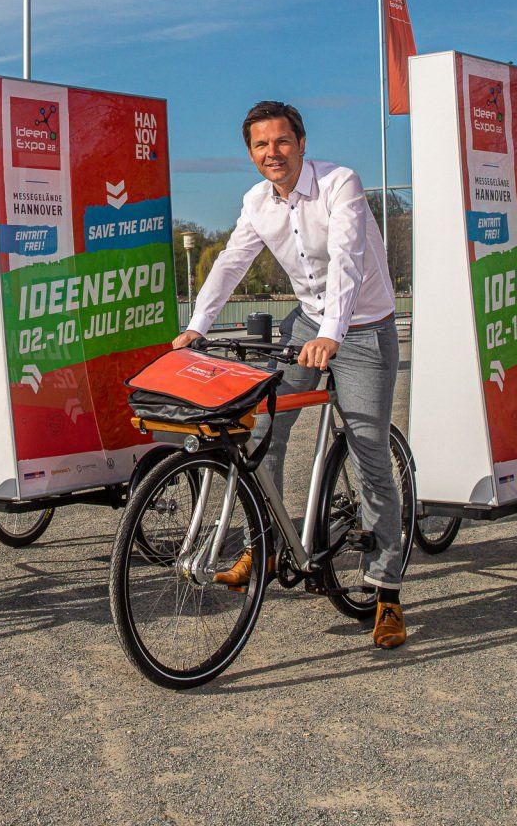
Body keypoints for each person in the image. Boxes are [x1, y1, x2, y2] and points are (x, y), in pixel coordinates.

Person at [172, 100, 408, 649]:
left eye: (281, 141)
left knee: (369, 453)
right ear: (251, 153)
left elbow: (348, 260)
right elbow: (230, 264)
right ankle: (267, 545)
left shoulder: (340, 184)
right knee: (261, 430)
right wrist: (196, 326)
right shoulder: (257, 202)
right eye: (260, 145)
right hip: (306, 323)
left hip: (364, 328)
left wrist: (333, 333)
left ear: (301, 143)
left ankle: (387, 589)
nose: (271, 152)